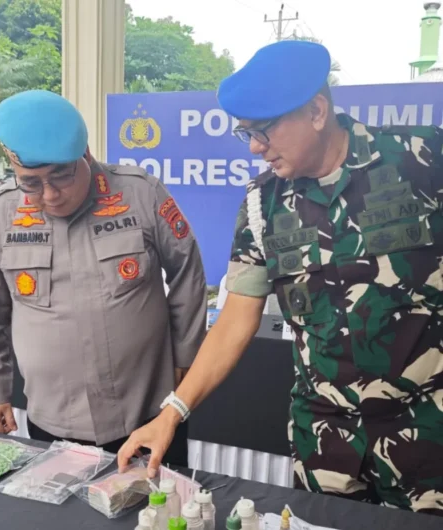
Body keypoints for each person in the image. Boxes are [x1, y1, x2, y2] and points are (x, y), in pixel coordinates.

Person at [118, 40, 443, 515]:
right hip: (327, 443)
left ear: (316, 110)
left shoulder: (423, 159)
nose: (254, 147)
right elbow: (235, 320)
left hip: (427, 431)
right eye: (245, 133)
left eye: (264, 131)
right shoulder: (261, 205)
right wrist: (172, 413)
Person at [0, 89, 208, 466]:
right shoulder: (1, 215)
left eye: (60, 177)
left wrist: (187, 357)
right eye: (31, 182)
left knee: (157, 517)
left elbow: (187, 272)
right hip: (53, 419)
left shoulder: (139, 193)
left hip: (149, 414)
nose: (49, 194)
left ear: (86, 156)